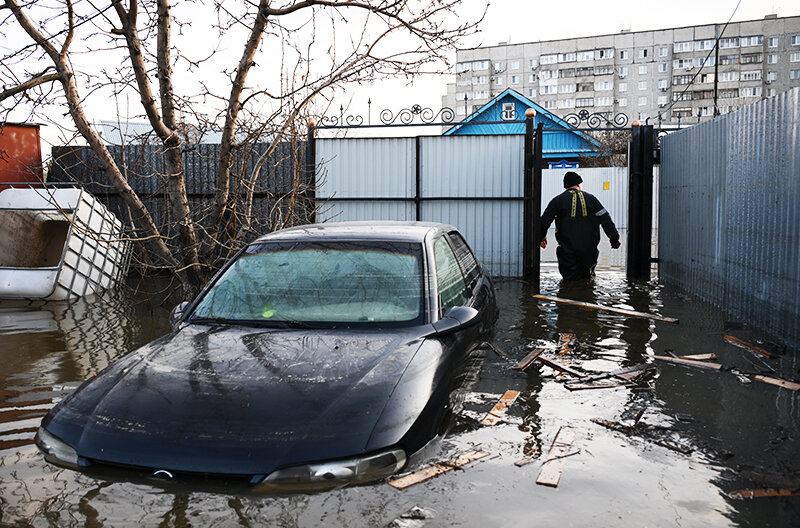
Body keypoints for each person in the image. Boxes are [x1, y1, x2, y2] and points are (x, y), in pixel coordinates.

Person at [540, 171, 620, 280]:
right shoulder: (592, 199)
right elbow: (606, 219)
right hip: (589, 251)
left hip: (567, 252)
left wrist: (541, 237)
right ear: (578, 184)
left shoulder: (557, 201)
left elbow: (545, 221)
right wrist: (614, 239)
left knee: (569, 281)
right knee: (588, 281)